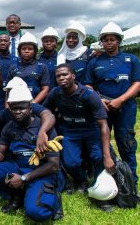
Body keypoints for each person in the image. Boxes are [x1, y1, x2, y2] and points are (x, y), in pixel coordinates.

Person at [0, 85, 63, 221]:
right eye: (14, 109)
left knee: (37, 213)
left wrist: (24, 178)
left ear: (30, 108)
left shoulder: (44, 128)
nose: (17, 112)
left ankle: (53, 196)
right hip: (18, 167)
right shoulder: (9, 128)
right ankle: (17, 195)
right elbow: (1, 152)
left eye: (22, 108)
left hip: (39, 172)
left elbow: (53, 165)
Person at [44, 63, 115, 210]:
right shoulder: (55, 93)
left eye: (65, 74)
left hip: (91, 130)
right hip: (70, 131)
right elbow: (45, 110)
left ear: (73, 76)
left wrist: (107, 156)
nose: (62, 78)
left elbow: (103, 125)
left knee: (99, 157)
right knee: (71, 162)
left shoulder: (89, 95)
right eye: (58, 76)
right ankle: (81, 180)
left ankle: (99, 187)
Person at [84, 22, 140, 184]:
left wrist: (120, 100)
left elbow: (137, 84)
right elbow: (88, 85)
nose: (108, 42)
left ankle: (131, 182)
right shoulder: (94, 62)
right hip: (102, 109)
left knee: (126, 143)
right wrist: (99, 100)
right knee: (101, 143)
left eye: (112, 39)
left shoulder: (131, 60)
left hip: (126, 108)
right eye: (105, 40)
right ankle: (105, 181)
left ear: (118, 41)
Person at [7, 32, 50, 103]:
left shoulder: (42, 67)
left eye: (30, 49)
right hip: (16, 106)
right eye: (24, 49)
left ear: (34, 51)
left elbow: (45, 89)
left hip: (35, 105)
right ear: (19, 51)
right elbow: (8, 90)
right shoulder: (13, 67)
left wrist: (33, 104)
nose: (26, 51)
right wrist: (7, 107)